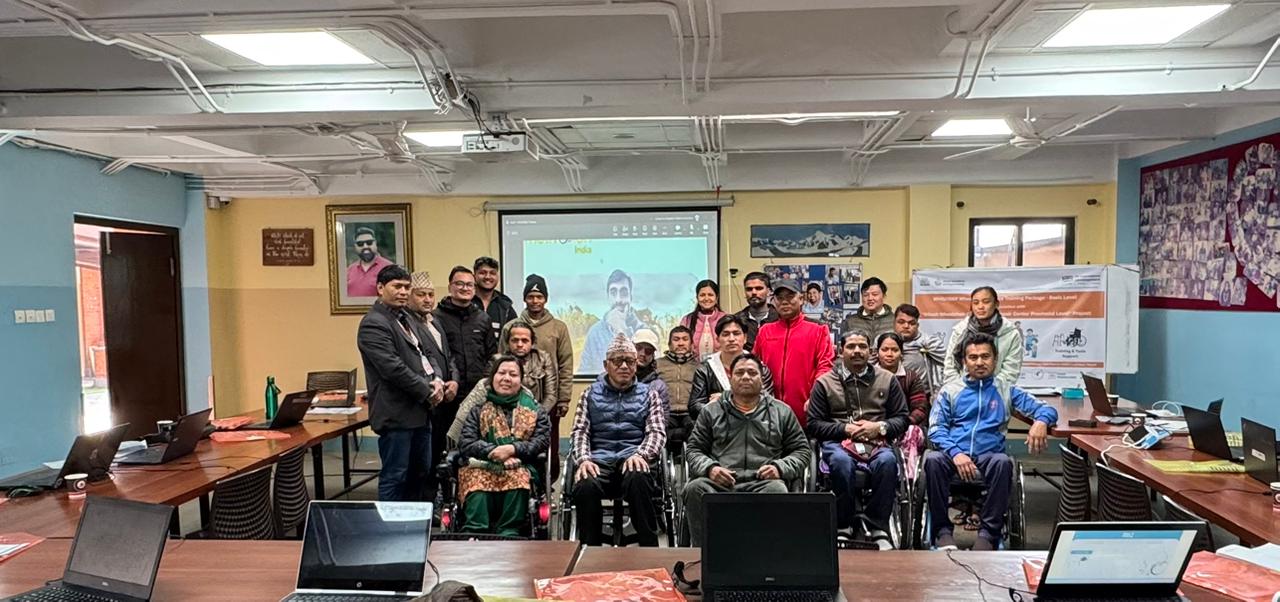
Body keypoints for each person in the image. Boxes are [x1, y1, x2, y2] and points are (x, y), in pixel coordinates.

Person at [926, 333, 1056, 551]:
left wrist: (1041, 421)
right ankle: (942, 532)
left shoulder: (1006, 389)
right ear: (964, 361)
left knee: (1003, 462)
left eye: (985, 356)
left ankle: (988, 535)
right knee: (932, 460)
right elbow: (936, 428)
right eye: (973, 357)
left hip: (988, 456)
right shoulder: (950, 391)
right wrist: (956, 453)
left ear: (995, 359)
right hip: (953, 456)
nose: (979, 362)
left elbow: (1047, 409)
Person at [684, 353, 811, 547]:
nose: (745, 377)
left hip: (762, 483)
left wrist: (780, 467)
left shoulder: (781, 411)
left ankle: (770, 557)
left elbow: (802, 451)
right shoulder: (711, 411)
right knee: (694, 489)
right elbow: (693, 450)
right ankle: (704, 556)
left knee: (777, 490)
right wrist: (711, 469)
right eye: (739, 373)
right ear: (730, 378)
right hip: (720, 483)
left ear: (762, 379)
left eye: (752, 373)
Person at [806, 330, 909, 550]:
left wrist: (879, 427)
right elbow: (814, 424)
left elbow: (902, 419)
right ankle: (843, 525)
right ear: (840, 351)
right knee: (841, 463)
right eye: (851, 346)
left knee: (888, 462)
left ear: (871, 352)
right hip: (838, 441)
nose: (856, 351)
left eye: (862, 346)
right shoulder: (824, 383)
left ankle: (877, 525)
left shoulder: (888, 380)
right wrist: (845, 429)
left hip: (877, 441)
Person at [356, 265, 445, 501]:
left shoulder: (407, 318)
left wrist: (437, 379)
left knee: (420, 472)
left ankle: (413, 526)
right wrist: (427, 390)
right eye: (397, 286)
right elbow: (392, 368)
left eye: (407, 287)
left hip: (421, 412)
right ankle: (389, 531)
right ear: (380, 288)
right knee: (396, 476)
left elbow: (429, 353)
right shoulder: (373, 324)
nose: (403, 292)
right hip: (396, 414)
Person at [569, 333, 666, 546]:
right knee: (585, 484)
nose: (624, 366)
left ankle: (649, 549)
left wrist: (641, 454)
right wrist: (584, 459)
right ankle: (589, 549)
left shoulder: (649, 394)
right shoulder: (589, 394)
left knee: (638, 477)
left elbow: (657, 432)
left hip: (634, 459)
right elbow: (579, 431)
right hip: (598, 460)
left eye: (630, 361)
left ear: (635, 365)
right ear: (606, 364)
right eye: (617, 361)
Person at [456, 355, 551, 536]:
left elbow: (541, 441)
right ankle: (474, 534)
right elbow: (467, 442)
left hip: (520, 464)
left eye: (513, 374)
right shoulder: (478, 410)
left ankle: (509, 533)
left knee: (519, 477)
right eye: (502, 373)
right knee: (475, 479)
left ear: (521, 380)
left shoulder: (535, 410)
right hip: (483, 464)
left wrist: (513, 449)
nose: (506, 378)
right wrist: (493, 452)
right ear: (492, 378)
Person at [432, 266, 497, 500]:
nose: (465, 289)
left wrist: (486, 387)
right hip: (449, 397)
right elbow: (434, 355)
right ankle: (444, 498)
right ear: (450, 287)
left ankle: (473, 496)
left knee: (475, 449)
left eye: (469, 285)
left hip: (477, 397)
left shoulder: (482, 318)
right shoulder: (436, 319)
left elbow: (492, 356)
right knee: (445, 449)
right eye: (460, 284)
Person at [499, 274, 573, 478]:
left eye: (539, 296)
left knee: (549, 446)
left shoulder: (558, 327)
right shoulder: (510, 327)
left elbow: (566, 363)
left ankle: (547, 485)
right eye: (531, 296)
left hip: (547, 401)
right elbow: (501, 362)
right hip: (512, 403)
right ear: (524, 298)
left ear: (546, 299)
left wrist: (563, 398)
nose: (535, 301)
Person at [447, 320, 557, 444]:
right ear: (508, 343)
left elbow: (551, 395)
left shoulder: (542, 359)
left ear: (532, 343)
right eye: (515, 340)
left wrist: (533, 416)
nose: (520, 344)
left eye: (525, 340)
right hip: (492, 417)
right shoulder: (496, 361)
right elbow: (488, 391)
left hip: (529, 417)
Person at [753, 279, 834, 426]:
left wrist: (815, 398)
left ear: (801, 299)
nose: (784, 302)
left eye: (790, 296)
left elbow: (825, 366)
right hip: (768, 412)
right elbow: (755, 366)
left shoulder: (818, 329)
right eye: (780, 298)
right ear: (773, 301)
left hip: (807, 411)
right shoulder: (765, 331)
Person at [690, 315, 775, 418]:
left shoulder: (760, 369)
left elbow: (767, 404)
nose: (731, 339)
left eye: (736, 333)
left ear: (745, 338)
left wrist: (724, 399)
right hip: (717, 430)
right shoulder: (705, 369)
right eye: (725, 334)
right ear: (717, 339)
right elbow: (694, 407)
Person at [943, 286, 1024, 389]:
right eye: (976, 303)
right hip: (963, 393)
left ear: (996, 304)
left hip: (997, 393)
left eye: (986, 302)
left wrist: (990, 392)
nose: (980, 307)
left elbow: (1010, 371)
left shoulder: (1010, 333)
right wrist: (960, 391)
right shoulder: (960, 331)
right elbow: (950, 365)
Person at [407, 271, 460, 407]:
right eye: (421, 294)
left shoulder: (434, 320)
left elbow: (448, 356)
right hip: (427, 396)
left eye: (430, 295)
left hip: (446, 395)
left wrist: (454, 380)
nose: (427, 300)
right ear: (408, 296)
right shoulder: (407, 324)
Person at [579, 269, 644, 372]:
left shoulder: (644, 331)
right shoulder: (595, 333)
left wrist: (622, 332)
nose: (618, 300)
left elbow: (653, 369)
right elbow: (584, 371)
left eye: (623, 293)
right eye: (613, 293)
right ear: (608, 297)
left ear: (630, 297)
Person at [655, 326, 700, 449]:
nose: (680, 343)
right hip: (665, 413)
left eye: (685, 339)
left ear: (691, 344)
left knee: (698, 433)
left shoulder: (701, 366)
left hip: (690, 415)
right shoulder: (657, 364)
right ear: (669, 345)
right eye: (676, 339)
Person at [874, 332, 929, 428]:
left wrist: (902, 425)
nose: (889, 354)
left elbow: (920, 409)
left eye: (895, 350)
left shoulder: (911, 377)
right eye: (884, 350)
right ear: (877, 352)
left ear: (901, 353)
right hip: (872, 427)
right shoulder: (868, 377)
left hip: (904, 426)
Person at [894, 304, 946, 396]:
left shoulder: (929, 343)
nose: (906, 326)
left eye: (911, 323)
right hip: (892, 394)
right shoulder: (885, 342)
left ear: (917, 325)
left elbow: (949, 363)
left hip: (921, 395)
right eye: (901, 322)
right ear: (894, 323)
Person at [472, 256, 517, 342]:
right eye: (482, 272)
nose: (488, 277)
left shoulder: (505, 306)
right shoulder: (465, 302)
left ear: (497, 277)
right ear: (474, 276)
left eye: (492, 273)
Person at [680, 279, 727, 357]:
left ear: (717, 298)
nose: (706, 298)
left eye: (710, 295)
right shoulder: (687, 320)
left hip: (720, 366)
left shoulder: (725, 319)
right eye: (702, 295)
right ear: (697, 298)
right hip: (693, 367)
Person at [734, 271, 778, 352]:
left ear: (769, 291)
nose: (754, 292)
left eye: (759, 288)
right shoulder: (736, 320)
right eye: (749, 289)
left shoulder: (780, 319)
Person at [346, 227, 394, 297]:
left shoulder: (389, 268)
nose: (365, 246)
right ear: (355, 247)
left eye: (369, 242)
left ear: (375, 244)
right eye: (360, 244)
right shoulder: (350, 270)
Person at [633, 328, 670, 412]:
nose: (642, 354)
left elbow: (662, 418)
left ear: (653, 355)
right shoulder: (613, 378)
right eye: (638, 348)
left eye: (648, 351)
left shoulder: (658, 386)